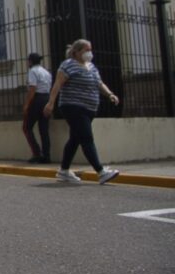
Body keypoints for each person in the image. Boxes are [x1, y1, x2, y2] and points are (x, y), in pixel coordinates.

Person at [44, 39, 120, 184]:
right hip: (73, 106)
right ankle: (101, 171)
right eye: (86, 50)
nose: (89, 53)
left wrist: (110, 94)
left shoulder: (91, 66)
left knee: (75, 139)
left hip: (89, 109)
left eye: (90, 49)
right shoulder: (67, 65)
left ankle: (64, 171)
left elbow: (99, 83)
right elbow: (58, 84)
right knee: (86, 138)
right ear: (76, 52)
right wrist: (50, 102)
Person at [22, 52, 52, 164]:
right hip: (46, 98)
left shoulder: (32, 71)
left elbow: (32, 88)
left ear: (30, 61)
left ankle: (37, 153)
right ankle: (47, 155)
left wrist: (26, 104)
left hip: (37, 100)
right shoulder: (46, 72)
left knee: (27, 127)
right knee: (44, 129)